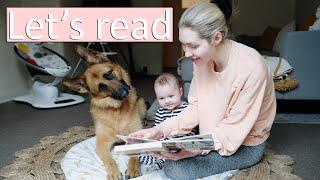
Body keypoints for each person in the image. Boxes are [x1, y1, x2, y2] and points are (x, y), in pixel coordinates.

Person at [129, 1, 276, 180]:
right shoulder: (202, 60)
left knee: (175, 169)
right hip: (210, 135)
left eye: (193, 46)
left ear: (216, 38)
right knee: (167, 153)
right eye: (184, 45)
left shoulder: (252, 67)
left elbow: (233, 131)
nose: (186, 53)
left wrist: (196, 150)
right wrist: (159, 131)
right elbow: (195, 107)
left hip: (244, 144)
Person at [138, 73, 197, 170]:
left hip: (183, 143)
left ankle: (161, 163)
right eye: (162, 98)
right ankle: (159, 160)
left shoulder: (187, 108)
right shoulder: (160, 112)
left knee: (181, 154)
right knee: (144, 152)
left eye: (171, 96)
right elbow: (158, 132)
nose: (167, 101)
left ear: (180, 92)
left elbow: (192, 129)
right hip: (166, 145)